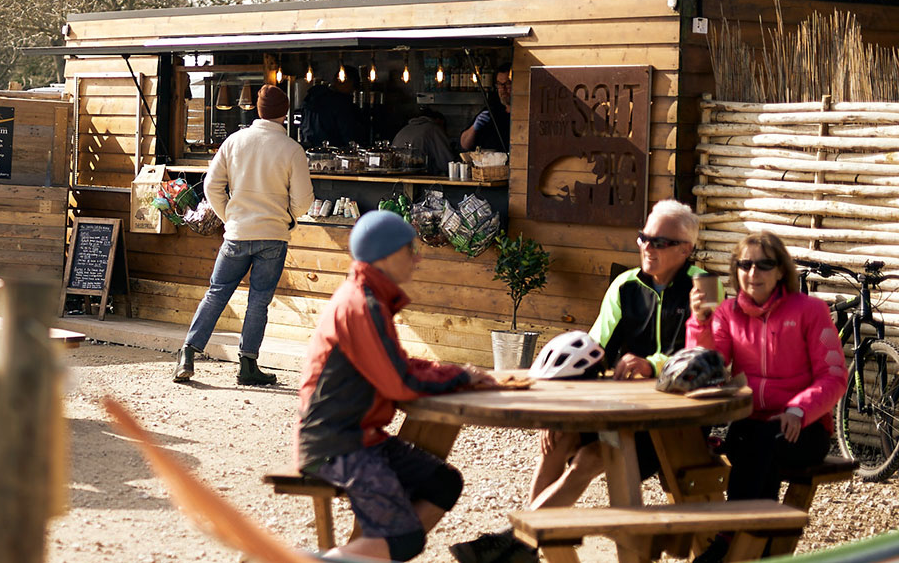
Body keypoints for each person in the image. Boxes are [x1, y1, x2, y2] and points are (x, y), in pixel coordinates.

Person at [451, 199, 715, 563]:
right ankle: (526, 545)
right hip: (620, 413)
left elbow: (708, 358)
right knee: (559, 438)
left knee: (591, 455)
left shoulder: (705, 287)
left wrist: (652, 365)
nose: (647, 247)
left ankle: (519, 540)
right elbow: (589, 352)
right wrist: (558, 411)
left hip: (674, 425)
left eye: (660, 242)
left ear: (686, 249)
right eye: (643, 238)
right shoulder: (624, 285)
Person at [296, 210, 497, 562]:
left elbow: (396, 366)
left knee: (443, 483)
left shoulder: (366, 296)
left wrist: (456, 372)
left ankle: (369, 556)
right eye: (410, 250)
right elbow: (400, 383)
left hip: (359, 436)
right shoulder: (363, 304)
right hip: (337, 443)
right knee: (402, 537)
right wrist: (460, 377)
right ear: (386, 255)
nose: (417, 259)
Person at [686, 231, 845, 563]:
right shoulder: (728, 312)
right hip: (750, 425)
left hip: (805, 427)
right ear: (735, 270)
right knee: (744, 442)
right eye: (744, 264)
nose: (753, 273)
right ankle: (760, 550)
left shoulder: (811, 310)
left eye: (764, 265)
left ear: (780, 271)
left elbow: (833, 376)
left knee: (761, 443)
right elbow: (706, 367)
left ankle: (728, 539)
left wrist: (799, 410)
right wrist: (699, 322)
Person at [173, 84, 314, 385]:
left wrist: (229, 216)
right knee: (258, 301)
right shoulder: (292, 149)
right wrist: (288, 215)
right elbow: (303, 201)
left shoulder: (234, 142)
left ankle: (187, 354)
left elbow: (211, 186)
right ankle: (248, 366)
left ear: (257, 110)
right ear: (285, 113)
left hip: (237, 233)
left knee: (216, 293)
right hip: (273, 236)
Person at [299, 67, 367, 147]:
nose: (352, 91)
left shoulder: (311, 97)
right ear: (347, 81)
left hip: (308, 150)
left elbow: (303, 128)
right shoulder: (341, 103)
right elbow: (349, 135)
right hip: (332, 153)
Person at [458, 65, 511, 152]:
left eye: (507, 84)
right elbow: (464, 144)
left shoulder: (523, 114)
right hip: (489, 163)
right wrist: (474, 128)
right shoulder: (491, 110)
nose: (503, 89)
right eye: (499, 84)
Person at [389, 108, 454, 176]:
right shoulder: (434, 129)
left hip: (396, 177)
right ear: (438, 120)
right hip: (420, 178)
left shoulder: (405, 129)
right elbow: (446, 163)